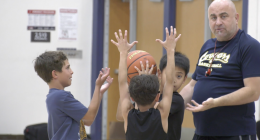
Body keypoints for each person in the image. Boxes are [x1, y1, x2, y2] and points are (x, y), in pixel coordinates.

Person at [180, 0, 260, 139]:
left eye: (223, 16)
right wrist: (169, 105)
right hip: (202, 133)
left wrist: (216, 102)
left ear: (236, 18)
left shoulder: (249, 46)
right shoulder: (207, 46)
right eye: (213, 17)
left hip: (235, 133)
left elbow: (253, 92)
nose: (218, 22)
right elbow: (192, 85)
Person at [111, 26, 181, 140]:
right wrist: (170, 50)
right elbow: (169, 81)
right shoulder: (162, 113)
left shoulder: (128, 115)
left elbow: (122, 82)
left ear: (132, 97)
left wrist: (123, 53)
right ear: (157, 96)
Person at [34, 51, 113, 140]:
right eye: (67, 68)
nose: (72, 72)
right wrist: (97, 86)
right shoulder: (61, 97)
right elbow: (90, 116)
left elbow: (87, 121)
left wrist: (99, 93)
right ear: (55, 74)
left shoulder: (53, 96)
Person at [132, 51, 189, 140]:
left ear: (184, 79)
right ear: (159, 73)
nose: (173, 80)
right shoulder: (151, 96)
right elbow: (122, 115)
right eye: (169, 74)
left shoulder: (176, 100)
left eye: (178, 76)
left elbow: (148, 111)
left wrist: (144, 86)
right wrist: (137, 83)